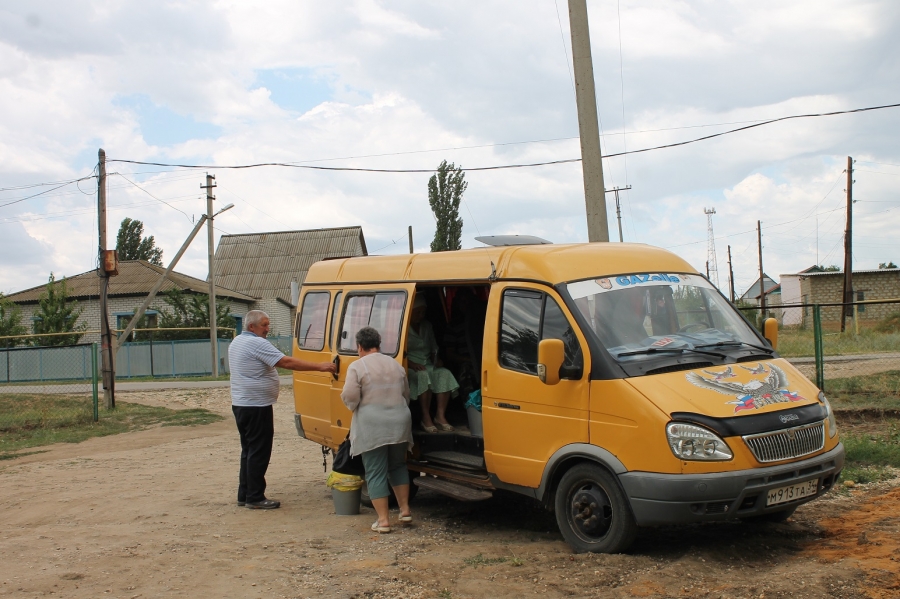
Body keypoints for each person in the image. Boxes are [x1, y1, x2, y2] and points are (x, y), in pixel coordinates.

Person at [229, 309, 335, 509]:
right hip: (256, 406)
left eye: (268, 325)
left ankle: (245, 493)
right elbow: (285, 361)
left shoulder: (238, 341)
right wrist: (319, 367)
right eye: (264, 325)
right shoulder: (255, 343)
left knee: (249, 450)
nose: (267, 329)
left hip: (243, 404)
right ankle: (255, 497)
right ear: (252, 326)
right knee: (259, 451)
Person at [340, 326, 413, 533]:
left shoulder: (357, 366)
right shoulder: (396, 365)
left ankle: (383, 521)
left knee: (375, 471)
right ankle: (405, 510)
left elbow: (350, 396)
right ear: (379, 345)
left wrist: (355, 408)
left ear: (360, 346)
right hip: (400, 421)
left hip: (373, 424)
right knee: (398, 466)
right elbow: (406, 394)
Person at [406, 295, 459, 432]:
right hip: (410, 366)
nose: (420, 315)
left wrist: (437, 359)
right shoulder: (404, 328)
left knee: (444, 373)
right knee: (424, 376)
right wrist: (411, 364)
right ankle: (425, 417)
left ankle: (440, 416)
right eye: (417, 312)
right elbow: (401, 352)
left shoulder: (427, 326)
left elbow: (434, 348)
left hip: (427, 364)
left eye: (423, 312)